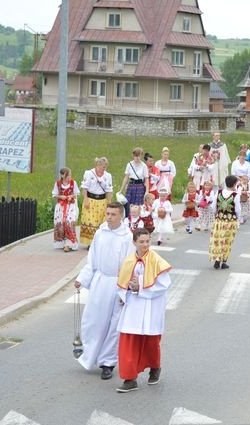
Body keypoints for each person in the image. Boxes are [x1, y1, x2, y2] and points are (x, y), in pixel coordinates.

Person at [74, 201, 134, 380]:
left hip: (116, 283)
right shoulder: (100, 233)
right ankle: (89, 353)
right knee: (93, 321)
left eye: (113, 214)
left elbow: (129, 265)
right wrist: (82, 279)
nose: (109, 217)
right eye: (107, 214)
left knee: (113, 326)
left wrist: (125, 290)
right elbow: (91, 259)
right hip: (100, 282)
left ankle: (107, 362)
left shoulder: (127, 237)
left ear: (121, 215)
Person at [115, 228, 172, 393]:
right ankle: (129, 378)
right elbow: (121, 284)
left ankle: (155, 368)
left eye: (148, 241)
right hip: (133, 306)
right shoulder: (128, 261)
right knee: (128, 340)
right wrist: (127, 290)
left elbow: (163, 284)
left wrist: (139, 283)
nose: (145, 244)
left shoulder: (157, 260)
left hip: (150, 306)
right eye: (141, 241)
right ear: (134, 242)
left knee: (151, 342)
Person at [209, 175, 241, 270]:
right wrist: (237, 219)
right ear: (234, 184)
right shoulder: (235, 195)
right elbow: (237, 209)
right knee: (227, 241)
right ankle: (223, 262)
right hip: (230, 221)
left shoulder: (218, 192)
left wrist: (217, 214)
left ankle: (217, 260)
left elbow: (213, 206)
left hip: (219, 220)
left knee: (218, 239)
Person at [80, 157, 113, 247]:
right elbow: (85, 187)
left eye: (105, 167)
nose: (104, 169)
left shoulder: (107, 176)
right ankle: (90, 243)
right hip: (91, 200)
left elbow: (109, 190)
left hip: (102, 201)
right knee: (91, 221)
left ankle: (100, 242)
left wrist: (109, 203)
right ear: (97, 165)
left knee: (101, 222)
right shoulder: (89, 173)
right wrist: (86, 199)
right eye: (103, 167)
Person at [52, 167, 80, 252]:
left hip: (70, 205)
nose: (69, 177)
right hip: (61, 206)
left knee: (69, 222)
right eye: (68, 175)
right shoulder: (58, 183)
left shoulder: (73, 183)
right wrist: (61, 196)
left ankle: (69, 243)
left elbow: (76, 194)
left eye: (70, 175)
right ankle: (62, 242)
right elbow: (54, 194)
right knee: (61, 223)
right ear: (63, 175)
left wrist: (70, 196)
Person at [118, 147, 149, 216]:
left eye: (139, 156)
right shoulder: (129, 164)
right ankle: (128, 220)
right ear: (133, 156)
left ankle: (138, 220)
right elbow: (126, 178)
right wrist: (121, 190)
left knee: (138, 205)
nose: (137, 157)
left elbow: (146, 179)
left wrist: (147, 191)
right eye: (136, 156)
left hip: (140, 187)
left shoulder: (144, 166)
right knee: (128, 204)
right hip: (131, 186)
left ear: (141, 156)